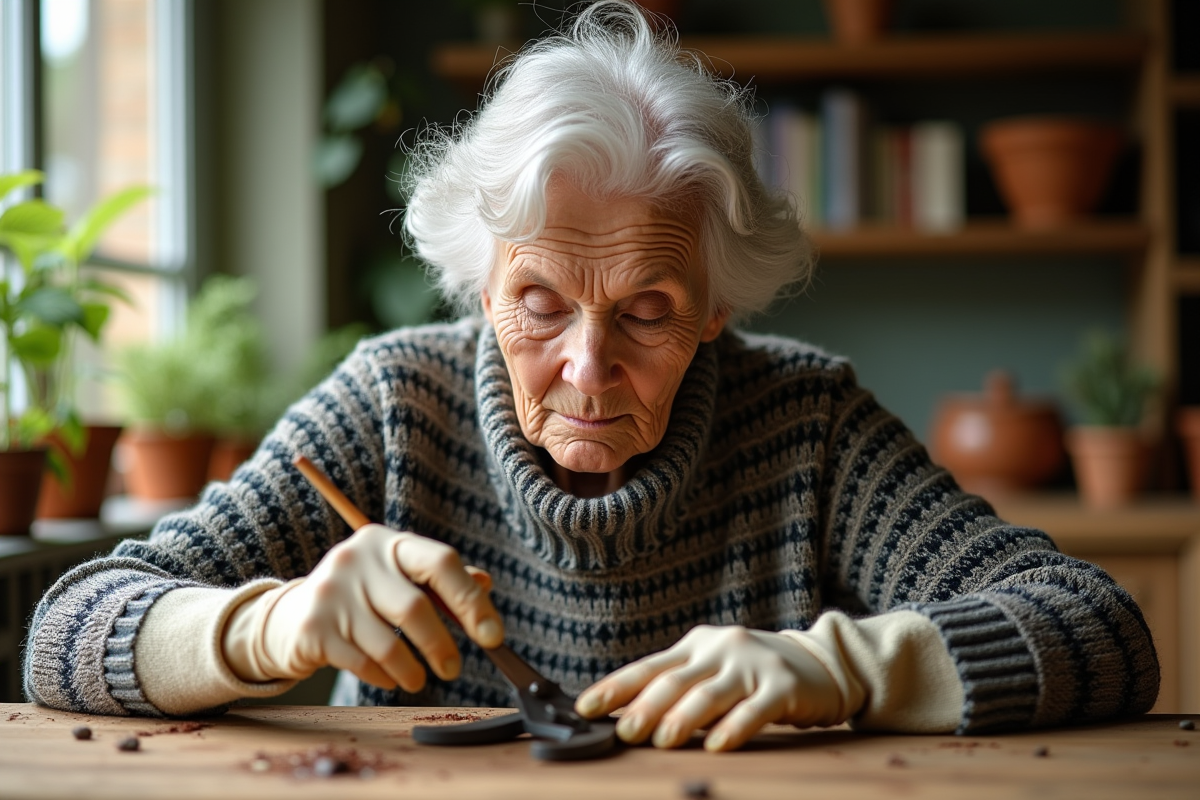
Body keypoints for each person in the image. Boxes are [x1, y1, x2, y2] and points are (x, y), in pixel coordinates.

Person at [25, 1, 1157, 751]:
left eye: (649, 311)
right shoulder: (392, 405)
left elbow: (1101, 628)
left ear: (716, 308)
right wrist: (268, 627)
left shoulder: (807, 424)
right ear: (480, 286)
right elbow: (67, 629)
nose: (586, 364)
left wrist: (846, 666)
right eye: (538, 301)